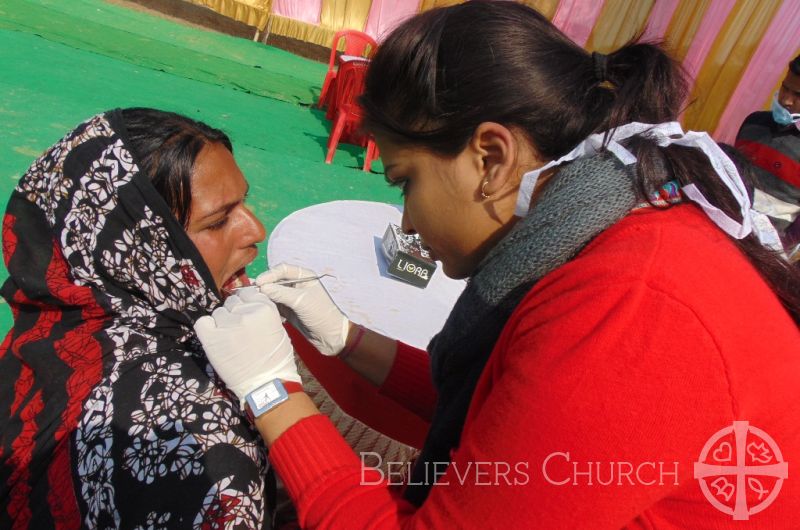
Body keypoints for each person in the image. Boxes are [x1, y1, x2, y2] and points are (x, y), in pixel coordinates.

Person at [194, 3, 800, 528]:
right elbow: (513, 410)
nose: (406, 223)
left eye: (405, 182)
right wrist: (345, 336)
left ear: (491, 158)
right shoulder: (601, 229)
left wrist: (270, 391)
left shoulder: (631, 305)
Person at [0, 108, 276, 528]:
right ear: (143, 252)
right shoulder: (201, 442)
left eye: (244, 202)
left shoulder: (58, 323)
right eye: (219, 220)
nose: (255, 229)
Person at [735, 55, 800, 259]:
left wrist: (776, 250)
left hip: (765, 255)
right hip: (724, 228)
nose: (786, 99)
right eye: (785, 87)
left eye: (798, 95)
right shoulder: (754, 123)